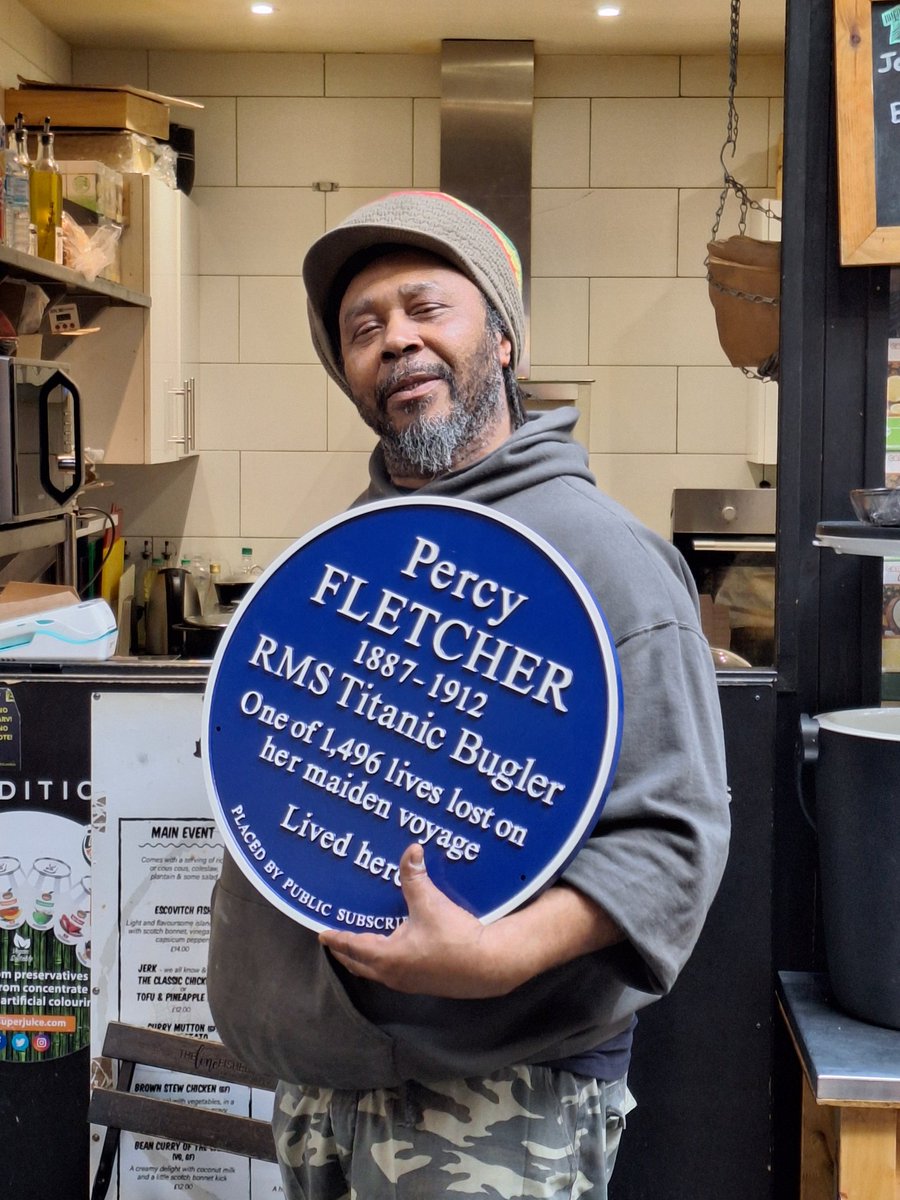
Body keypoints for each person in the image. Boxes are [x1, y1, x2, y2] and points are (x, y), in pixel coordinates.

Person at [206, 190, 731, 1200]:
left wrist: (496, 955)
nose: (395, 340)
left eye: (424, 308)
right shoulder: (344, 554)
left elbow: (673, 841)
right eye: (364, 329)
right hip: (324, 1087)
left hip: (491, 1099)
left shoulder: (605, 560)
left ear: (504, 342)